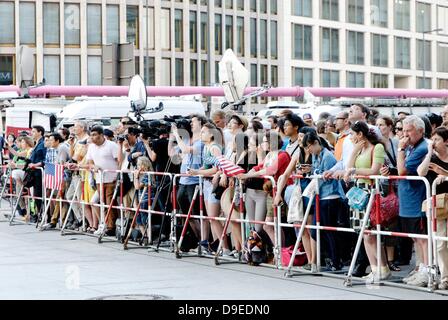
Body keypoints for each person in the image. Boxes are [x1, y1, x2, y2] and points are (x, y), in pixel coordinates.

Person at [384, 115, 429, 287]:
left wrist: (401, 150)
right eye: (403, 130)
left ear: (420, 130)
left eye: (408, 130)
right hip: (407, 200)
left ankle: (426, 271)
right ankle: (419, 268)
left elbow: (403, 171)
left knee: (422, 238)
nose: (405, 134)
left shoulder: (420, 148)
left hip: (417, 200)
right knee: (415, 238)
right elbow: (401, 169)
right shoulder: (412, 146)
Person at [343, 121, 390, 282]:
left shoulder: (377, 147)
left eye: (352, 134)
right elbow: (348, 170)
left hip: (370, 191)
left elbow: (374, 170)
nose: (351, 138)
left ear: (360, 134)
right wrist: (354, 152)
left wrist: (355, 171)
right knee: (364, 234)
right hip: (358, 192)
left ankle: (383, 268)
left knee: (371, 233)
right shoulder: (358, 149)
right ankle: (375, 268)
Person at [238, 131, 291, 257]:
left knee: (270, 224)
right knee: (273, 224)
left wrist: (247, 175)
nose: (262, 144)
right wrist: (246, 174)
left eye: (265, 141)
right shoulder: (269, 155)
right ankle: (279, 251)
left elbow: (271, 170)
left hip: (281, 191)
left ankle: (280, 251)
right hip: (271, 191)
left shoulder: (282, 155)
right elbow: (259, 167)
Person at [188, 122, 230, 254]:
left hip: (213, 184)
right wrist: (195, 170)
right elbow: (206, 167)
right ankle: (217, 245)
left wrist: (198, 172)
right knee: (211, 218)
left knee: (213, 217)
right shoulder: (207, 147)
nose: (201, 134)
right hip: (206, 183)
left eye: (204, 132)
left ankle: (226, 248)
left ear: (211, 134)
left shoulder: (214, 148)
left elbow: (219, 167)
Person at [169, 114, 207, 251]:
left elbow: (185, 150)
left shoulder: (202, 140)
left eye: (193, 121)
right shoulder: (188, 139)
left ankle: (204, 241)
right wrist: (172, 138)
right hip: (184, 180)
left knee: (196, 213)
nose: (191, 124)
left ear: (201, 124)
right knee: (187, 214)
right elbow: (172, 153)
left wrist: (176, 135)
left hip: (194, 181)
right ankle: (198, 240)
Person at [417, 126, 448, 290]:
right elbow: (420, 172)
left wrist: (444, 173)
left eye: (437, 139)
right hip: (439, 203)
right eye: (432, 139)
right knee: (441, 243)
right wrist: (429, 153)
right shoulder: (431, 158)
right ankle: (445, 278)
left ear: (446, 141)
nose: (433, 142)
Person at [83, 126, 120, 236]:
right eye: (91, 135)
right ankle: (104, 223)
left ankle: (110, 226)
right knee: (98, 202)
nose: (93, 137)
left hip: (111, 178)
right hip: (99, 179)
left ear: (101, 135)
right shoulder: (91, 147)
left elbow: (118, 160)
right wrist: (93, 166)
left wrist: (118, 175)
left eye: (94, 135)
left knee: (109, 202)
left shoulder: (111, 145)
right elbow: (89, 162)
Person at [7, 136, 34, 217]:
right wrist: (8, 146)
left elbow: (26, 165)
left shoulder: (30, 150)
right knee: (18, 193)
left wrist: (15, 165)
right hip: (25, 174)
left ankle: (31, 213)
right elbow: (16, 154)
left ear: (27, 142)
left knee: (32, 196)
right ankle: (25, 211)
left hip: (29, 175)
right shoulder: (24, 151)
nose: (21, 144)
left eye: (22, 142)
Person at [27, 125, 47, 222]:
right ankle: (38, 213)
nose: (32, 133)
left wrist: (35, 164)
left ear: (40, 132)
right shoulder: (37, 143)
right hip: (34, 172)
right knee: (35, 194)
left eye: (34, 131)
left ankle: (42, 214)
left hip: (39, 172)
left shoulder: (43, 143)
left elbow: (44, 159)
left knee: (38, 194)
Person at [133, 156, 155, 243]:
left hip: (147, 199)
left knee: (144, 219)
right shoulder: (143, 174)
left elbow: (137, 186)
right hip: (142, 199)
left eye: (139, 165)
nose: (137, 167)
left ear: (144, 165)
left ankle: (149, 237)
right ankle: (144, 236)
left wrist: (136, 177)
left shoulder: (148, 175)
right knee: (138, 219)